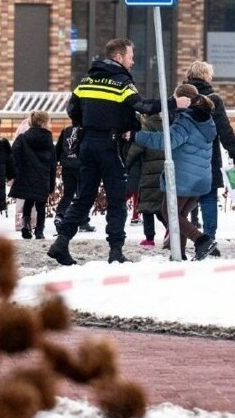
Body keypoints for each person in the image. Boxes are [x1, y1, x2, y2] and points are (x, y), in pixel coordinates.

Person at [50, 39, 153, 266]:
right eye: (130, 56)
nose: (133, 61)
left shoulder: (86, 80)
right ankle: (116, 250)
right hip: (110, 146)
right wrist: (174, 103)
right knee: (116, 200)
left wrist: (87, 124)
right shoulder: (121, 82)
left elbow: (72, 108)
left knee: (84, 197)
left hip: (87, 145)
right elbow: (142, 106)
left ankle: (61, 241)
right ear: (118, 57)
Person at [133, 85, 219, 260]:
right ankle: (177, 254)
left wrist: (137, 136)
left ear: (184, 100)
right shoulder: (206, 120)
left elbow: (166, 141)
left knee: (169, 213)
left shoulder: (186, 120)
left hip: (183, 179)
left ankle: (202, 240)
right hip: (201, 179)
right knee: (180, 216)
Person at [184, 60, 235, 251]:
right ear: (204, 76)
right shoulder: (213, 99)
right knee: (208, 197)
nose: (212, 77)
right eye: (210, 74)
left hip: (184, 156)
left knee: (183, 200)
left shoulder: (180, 97)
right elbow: (224, 129)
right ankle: (209, 239)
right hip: (208, 156)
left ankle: (182, 237)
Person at [125, 104, 168, 247]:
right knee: (161, 206)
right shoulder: (166, 127)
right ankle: (170, 229)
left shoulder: (146, 128)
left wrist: (125, 165)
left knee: (147, 207)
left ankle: (149, 238)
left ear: (145, 116)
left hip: (148, 173)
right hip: (164, 173)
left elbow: (135, 150)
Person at [10, 110, 56, 240]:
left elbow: (14, 155)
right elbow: (53, 164)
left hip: (26, 176)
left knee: (28, 203)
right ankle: (39, 231)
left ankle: (26, 225)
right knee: (41, 205)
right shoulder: (48, 141)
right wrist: (52, 185)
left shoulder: (23, 138)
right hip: (43, 179)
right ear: (43, 124)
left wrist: (15, 171)